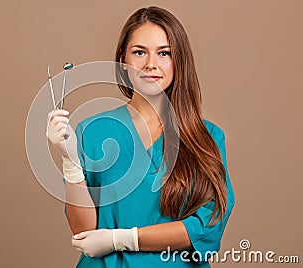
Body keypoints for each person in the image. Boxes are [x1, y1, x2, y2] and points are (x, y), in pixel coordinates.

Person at [46, 6, 235, 267]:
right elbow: (83, 233)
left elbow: (207, 227)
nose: (150, 64)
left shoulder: (207, 138)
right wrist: (70, 162)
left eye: (164, 53)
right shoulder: (92, 131)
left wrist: (121, 239)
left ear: (179, 61)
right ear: (123, 60)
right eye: (139, 52)